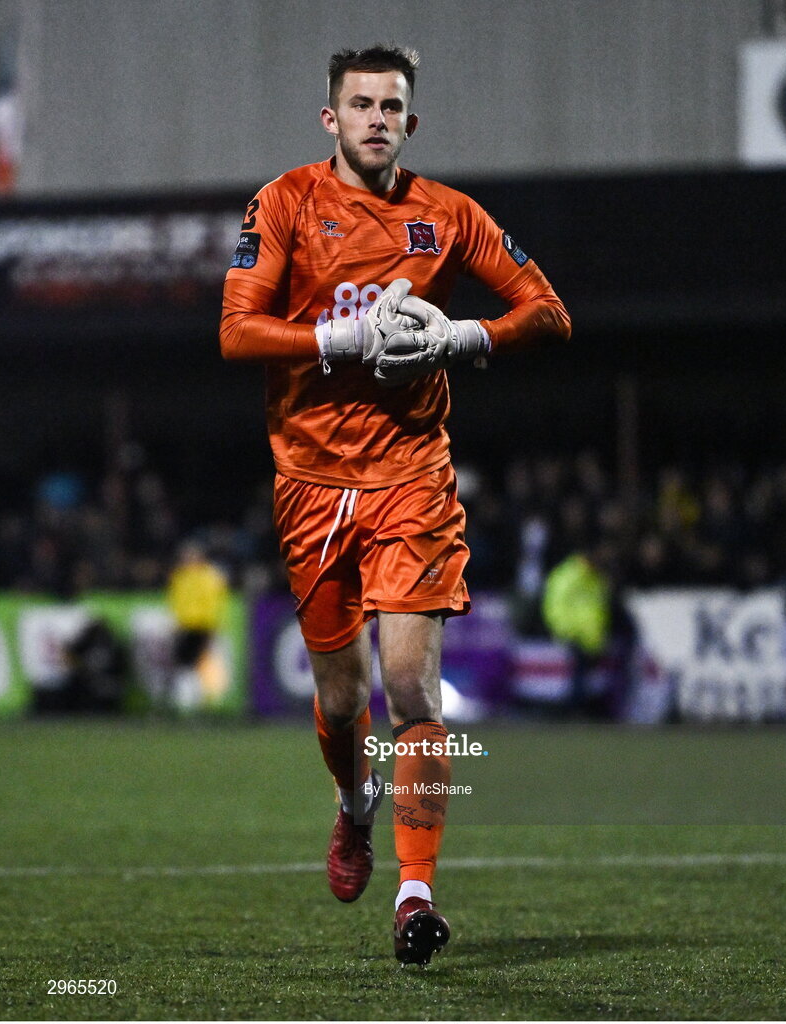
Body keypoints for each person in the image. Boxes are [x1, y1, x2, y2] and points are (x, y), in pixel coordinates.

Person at [220, 44, 570, 965]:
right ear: (330, 118)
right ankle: (350, 807)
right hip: (309, 482)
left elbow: (547, 311)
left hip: (413, 477)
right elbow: (236, 331)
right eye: (360, 103)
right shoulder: (284, 203)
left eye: (392, 106)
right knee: (341, 705)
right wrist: (340, 337)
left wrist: (462, 335)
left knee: (411, 688)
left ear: (410, 123)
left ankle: (416, 897)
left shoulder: (448, 216)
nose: (377, 117)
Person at [166, 541, 229, 709]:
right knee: (184, 665)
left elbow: (213, 604)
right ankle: (188, 703)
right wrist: (175, 623)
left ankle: (195, 702)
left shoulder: (209, 576)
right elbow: (176, 601)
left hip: (201, 626)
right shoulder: (180, 576)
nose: (187, 559)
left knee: (195, 664)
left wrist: (212, 627)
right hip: (183, 626)